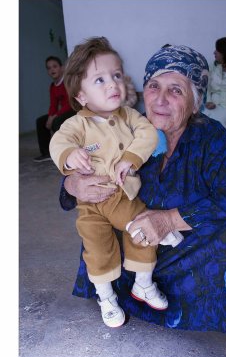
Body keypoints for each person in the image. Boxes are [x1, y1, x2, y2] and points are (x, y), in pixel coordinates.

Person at [59, 44, 226, 338]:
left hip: (185, 241)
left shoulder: (210, 136)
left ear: (195, 102)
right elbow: (77, 158)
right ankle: (119, 294)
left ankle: (179, 301)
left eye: (176, 90)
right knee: (100, 223)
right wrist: (71, 182)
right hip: (136, 236)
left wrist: (168, 220)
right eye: (154, 86)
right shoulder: (125, 124)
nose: (161, 99)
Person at [50, 37, 176, 328]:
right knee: (97, 247)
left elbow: (146, 134)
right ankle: (105, 296)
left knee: (142, 227)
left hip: (122, 193)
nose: (113, 84)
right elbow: (60, 143)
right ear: (81, 97)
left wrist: (130, 157)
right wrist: (70, 156)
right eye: (100, 80)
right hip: (91, 204)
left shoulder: (130, 116)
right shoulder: (76, 124)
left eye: (117, 75)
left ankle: (142, 283)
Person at [33, 56, 76, 162]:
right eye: (49, 68)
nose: (52, 70)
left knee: (57, 121)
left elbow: (70, 103)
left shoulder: (67, 82)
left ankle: (64, 152)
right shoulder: (53, 86)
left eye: (55, 66)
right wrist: (49, 117)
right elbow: (53, 104)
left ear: (61, 68)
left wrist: (54, 117)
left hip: (74, 109)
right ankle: (46, 153)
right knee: (41, 121)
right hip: (62, 112)